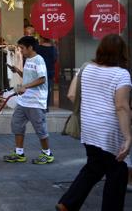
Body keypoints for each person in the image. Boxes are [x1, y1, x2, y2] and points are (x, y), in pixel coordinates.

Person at [56, 34, 131, 211]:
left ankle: (67, 203)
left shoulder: (87, 69)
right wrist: (128, 137)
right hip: (110, 129)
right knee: (117, 172)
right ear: (122, 53)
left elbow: (72, 95)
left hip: (89, 128)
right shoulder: (121, 74)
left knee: (94, 167)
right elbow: (121, 106)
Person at [5, 36, 54, 165]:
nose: (20, 51)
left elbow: (42, 79)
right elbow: (28, 78)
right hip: (24, 100)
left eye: (22, 48)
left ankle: (47, 153)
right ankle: (19, 153)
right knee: (17, 124)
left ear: (30, 47)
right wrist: (18, 71)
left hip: (36, 101)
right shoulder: (28, 60)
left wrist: (24, 86)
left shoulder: (38, 60)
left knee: (40, 128)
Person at [35, 36, 58, 111]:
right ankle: (45, 106)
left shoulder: (38, 48)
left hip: (39, 71)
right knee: (47, 89)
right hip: (50, 71)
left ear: (41, 38)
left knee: (38, 88)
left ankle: (38, 105)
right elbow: (55, 59)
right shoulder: (53, 49)